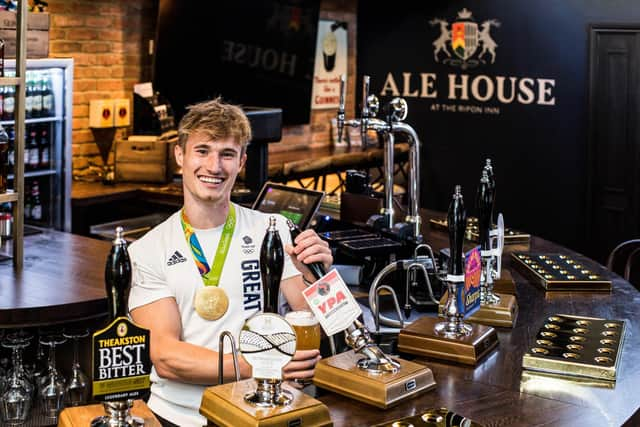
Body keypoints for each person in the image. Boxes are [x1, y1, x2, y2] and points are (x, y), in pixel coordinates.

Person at [128, 98, 333, 427]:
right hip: (181, 417)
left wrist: (319, 275)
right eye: (203, 150)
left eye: (227, 154)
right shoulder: (148, 250)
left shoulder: (274, 229)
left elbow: (316, 323)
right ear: (180, 155)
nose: (214, 166)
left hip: (267, 412)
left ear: (241, 163)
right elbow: (166, 357)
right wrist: (264, 366)